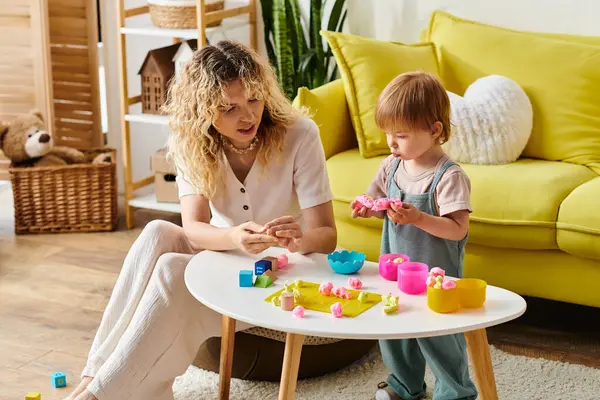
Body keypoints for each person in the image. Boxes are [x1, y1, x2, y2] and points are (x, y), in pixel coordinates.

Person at [66, 40, 337, 400]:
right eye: (229, 107)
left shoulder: (300, 135)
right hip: (229, 256)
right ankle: (94, 377)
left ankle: (98, 395)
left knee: (172, 271)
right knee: (158, 231)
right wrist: (236, 238)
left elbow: (328, 236)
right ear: (203, 108)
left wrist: (299, 238)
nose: (248, 116)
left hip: (282, 270)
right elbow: (193, 229)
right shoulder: (189, 141)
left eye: (254, 100)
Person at [350, 71, 478, 400]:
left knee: (440, 339)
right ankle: (405, 386)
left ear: (435, 130)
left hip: (437, 280)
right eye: (388, 134)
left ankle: (456, 392)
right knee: (395, 333)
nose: (391, 143)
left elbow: (457, 229)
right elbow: (378, 202)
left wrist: (419, 217)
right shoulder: (391, 166)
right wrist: (368, 207)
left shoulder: (448, 177)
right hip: (396, 273)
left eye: (401, 135)